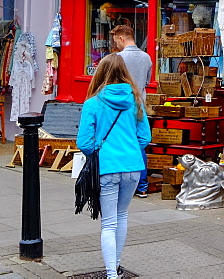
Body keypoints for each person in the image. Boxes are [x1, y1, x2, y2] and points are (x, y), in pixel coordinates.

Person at [76, 54, 151, 279]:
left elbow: (84, 143)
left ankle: (111, 274)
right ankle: (116, 264)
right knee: (122, 215)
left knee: (108, 223)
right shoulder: (136, 100)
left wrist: (98, 153)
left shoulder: (93, 103)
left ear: (100, 73)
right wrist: (128, 150)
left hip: (107, 167)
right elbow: (144, 137)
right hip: (133, 167)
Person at [111, 25, 152, 198]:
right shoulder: (147, 57)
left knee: (120, 141)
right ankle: (142, 185)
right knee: (139, 143)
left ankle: (123, 182)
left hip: (120, 107)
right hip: (139, 104)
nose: (116, 45)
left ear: (121, 38)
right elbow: (148, 82)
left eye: (116, 41)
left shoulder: (118, 58)